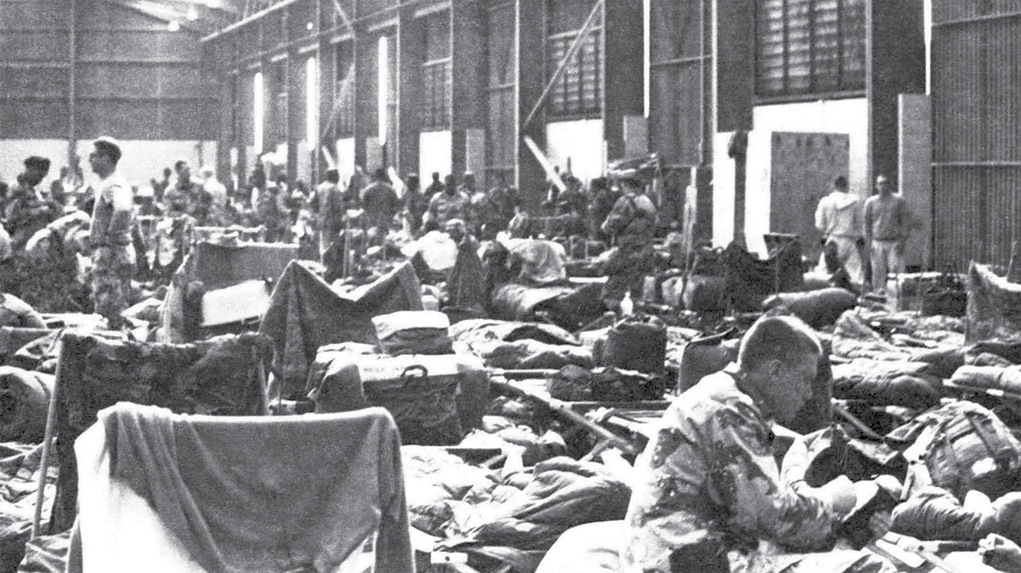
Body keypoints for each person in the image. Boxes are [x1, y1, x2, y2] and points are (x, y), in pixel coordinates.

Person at [622, 315, 892, 573]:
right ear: (775, 370)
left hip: (679, 553)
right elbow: (774, 518)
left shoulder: (723, 395)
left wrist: (851, 524)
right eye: (805, 380)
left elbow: (754, 511)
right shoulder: (729, 410)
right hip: (687, 559)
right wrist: (837, 499)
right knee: (871, 567)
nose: (809, 394)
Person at [87, 137, 135, 330]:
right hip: (115, 253)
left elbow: (122, 209)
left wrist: (109, 240)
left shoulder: (112, 184)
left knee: (107, 313)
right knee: (115, 310)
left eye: (93, 156)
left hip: (110, 255)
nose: (89, 160)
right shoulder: (112, 182)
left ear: (105, 158)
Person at [599, 172, 657, 315]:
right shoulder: (647, 202)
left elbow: (610, 226)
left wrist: (606, 225)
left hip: (628, 251)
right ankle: (639, 324)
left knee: (614, 289)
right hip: (646, 250)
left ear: (625, 185)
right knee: (638, 290)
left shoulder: (625, 201)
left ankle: (610, 320)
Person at [863, 174, 911, 294]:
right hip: (877, 242)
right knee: (878, 274)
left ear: (890, 185)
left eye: (885, 183)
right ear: (876, 186)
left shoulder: (899, 201)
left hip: (894, 242)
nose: (883, 186)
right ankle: (878, 298)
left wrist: (902, 241)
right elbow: (867, 225)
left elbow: (905, 222)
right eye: (880, 183)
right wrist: (868, 245)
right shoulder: (870, 202)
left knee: (897, 273)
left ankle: (898, 298)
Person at [814, 175, 864, 286]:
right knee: (855, 273)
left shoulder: (825, 201)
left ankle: (826, 294)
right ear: (846, 186)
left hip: (832, 240)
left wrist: (827, 230)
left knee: (824, 272)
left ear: (834, 186)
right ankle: (858, 295)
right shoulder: (855, 201)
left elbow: (819, 225)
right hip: (849, 240)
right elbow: (860, 223)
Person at [6, 156, 60, 251]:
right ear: (30, 169)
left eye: (43, 177)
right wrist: (40, 212)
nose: (40, 180)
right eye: (39, 176)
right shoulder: (15, 189)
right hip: (20, 242)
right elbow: (10, 217)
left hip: (35, 241)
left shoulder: (34, 189)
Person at [360, 168, 400, 245]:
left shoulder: (368, 189)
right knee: (384, 243)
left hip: (371, 220)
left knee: (372, 241)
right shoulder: (390, 190)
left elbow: (363, 205)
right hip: (385, 220)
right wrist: (390, 216)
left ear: (375, 176)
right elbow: (396, 206)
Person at [315, 169, 344, 261]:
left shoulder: (319, 188)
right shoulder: (334, 188)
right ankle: (330, 265)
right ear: (334, 176)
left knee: (323, 244)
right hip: (333, 221)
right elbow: (338, 207)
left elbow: (313, 203)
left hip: (322, 220)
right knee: (333, 246)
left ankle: (323, 263)